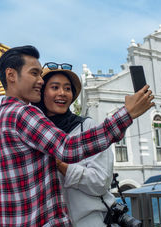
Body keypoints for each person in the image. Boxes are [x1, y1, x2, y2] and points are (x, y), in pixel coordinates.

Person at [0, 45, 154, 226]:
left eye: (67, 88)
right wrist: (127, 114)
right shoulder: (24, 114)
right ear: (11, 75)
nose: (40, 81)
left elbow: (99, 181)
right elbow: (67, 148)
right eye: (34, 73)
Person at [35, 62, 116, 226]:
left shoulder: (87, 127)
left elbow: (101, 182)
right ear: (42, 93)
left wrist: (62, 166)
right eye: (55, 87)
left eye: (67, 88)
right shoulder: (35, 133)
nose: (62, 93)